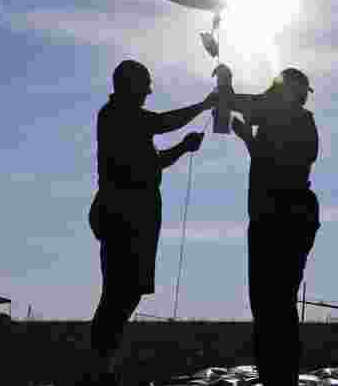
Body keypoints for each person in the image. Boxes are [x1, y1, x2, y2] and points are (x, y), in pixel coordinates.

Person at [85, 60, 213, 384]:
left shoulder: (125, 119)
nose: (150, 91)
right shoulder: (117, 115)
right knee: (119, 293)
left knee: (126, 293)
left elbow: (153, 162)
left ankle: (102, 367)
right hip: (124, 215)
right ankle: (98, 369)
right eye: (146, 84)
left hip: (135, 215)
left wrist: (183, 148)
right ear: (130, 85)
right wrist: (204, 105)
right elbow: (163, 122)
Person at [227, 66, 320, 386]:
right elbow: (275, 157)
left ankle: (279, 378)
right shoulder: (296, 118)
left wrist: (226, 83)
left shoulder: (291, 117)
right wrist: (248, 137)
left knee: (272, 305)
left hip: (278, 218)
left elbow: (233, 102)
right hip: (288, 217)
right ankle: (279, 377)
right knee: (276, 304)